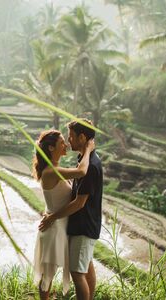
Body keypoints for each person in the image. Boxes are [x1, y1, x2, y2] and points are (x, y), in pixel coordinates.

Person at [39, 119, 103, 300]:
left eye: (70, 137)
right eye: (63, 141)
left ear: (82, 137)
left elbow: (78, 202)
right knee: (57, 271)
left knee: (78, 272)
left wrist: (51, 216)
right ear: (51, 148)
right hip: (62, 227)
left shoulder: (88, 165)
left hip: (79, 225)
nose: (68, 142)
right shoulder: (74, 164)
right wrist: (50, 215)